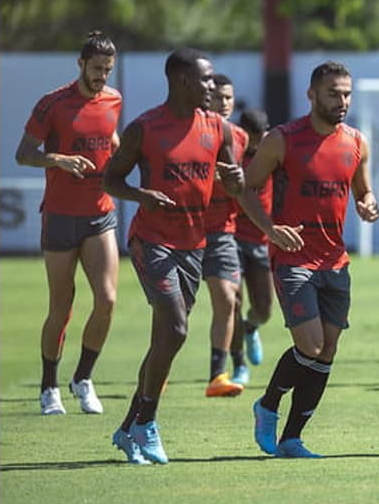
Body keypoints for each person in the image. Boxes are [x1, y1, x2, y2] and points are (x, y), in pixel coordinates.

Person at [103, 47, 245, 464]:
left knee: (164, 338)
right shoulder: (145, 128)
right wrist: (140, 194)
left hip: (193, 245)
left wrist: (236, 180)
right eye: (205, 80)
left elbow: (234, 185)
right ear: (183, 81)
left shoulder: (217, 129)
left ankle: (129, 427)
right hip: (152, 242)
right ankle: (147, 424)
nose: (212, 86)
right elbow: (111, 178)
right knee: (178, 330)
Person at [239, 61, 379, 458]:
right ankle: (267, 404)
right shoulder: (281, 140)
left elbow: (363, 192)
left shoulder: (356, 142)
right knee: (311, 344)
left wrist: (368, 205)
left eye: (347, 93)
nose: (342, 101)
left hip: (336, 261)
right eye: (334, 93)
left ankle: (292, 438)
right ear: (312, 95)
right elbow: (247, 189)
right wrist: (270, 229)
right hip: (293, 259)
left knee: (327, 351)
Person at [15, 30, 123, 416]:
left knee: (107, 300)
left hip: (100, 212)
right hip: (60, 215)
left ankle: (84, 379)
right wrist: (58, 160)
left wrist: (124, 156)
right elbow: (23, 155)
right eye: (96, 69)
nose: (102, 77)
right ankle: (49, 386)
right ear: (80, 64)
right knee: (61, 307)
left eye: (108, 70)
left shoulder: (113, 99)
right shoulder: (53, 104)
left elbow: (108, 134)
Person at [198, 74, 248, 398]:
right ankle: (154, 373)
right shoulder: (190, 132)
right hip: (184, 231)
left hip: (223, 232)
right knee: (174, 311)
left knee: (229, 300)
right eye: (218, 97)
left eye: (228, 97)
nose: (224, 103)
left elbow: (249, 185)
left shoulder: (241, 137)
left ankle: (219, 373)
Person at [231, 106, 275, 384]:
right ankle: (238, 364)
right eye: (254, 139)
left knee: (264, 308)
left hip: (261, 240)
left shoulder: (273, 153)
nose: (258, 144)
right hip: (231, 237)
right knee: (231, 302)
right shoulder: (231, 153)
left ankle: (251, 328)